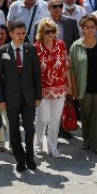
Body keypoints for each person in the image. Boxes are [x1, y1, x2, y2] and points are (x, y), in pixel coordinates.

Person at [0, 21, 43, 171]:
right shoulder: (3, 51)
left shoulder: (31, 50)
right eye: (18, 33)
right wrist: (0, 99)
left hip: (28, 97)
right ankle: (20, 159)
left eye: (24, 33)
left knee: (30, 129)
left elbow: (37, 75)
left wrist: (38, 95)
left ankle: (30, 157)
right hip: (11, 98)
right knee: (14, 130)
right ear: (11, 34)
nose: (21, 36)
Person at [69, 15, 97, 156]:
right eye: (87, 27)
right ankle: (87, 140)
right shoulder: (76, 46)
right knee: (86, 114)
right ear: (82, 29)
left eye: (92, 27)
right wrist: (73, 87)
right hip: (83, 86)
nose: (90, 30)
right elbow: (71, 68)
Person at [34, 18, 71, 158]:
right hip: (42, 90)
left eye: (53, 31)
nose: (50, 33)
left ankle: (52, 146)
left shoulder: (61, 45)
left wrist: (69, 86)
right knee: (43, 118)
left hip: (60, 88)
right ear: (41, 32)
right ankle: (38, 142)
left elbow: (67, 66)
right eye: (47, 31)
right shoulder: (36, 48)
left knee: (55, 119)